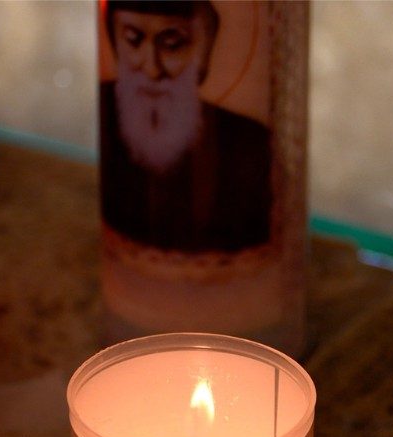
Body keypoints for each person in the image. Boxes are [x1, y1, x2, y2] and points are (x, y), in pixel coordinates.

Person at [100, 0, 271, 253]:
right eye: (133, 40)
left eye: (172, 45)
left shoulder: (250, 143)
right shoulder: (106, 110)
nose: (152, 69)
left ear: (204, 52)